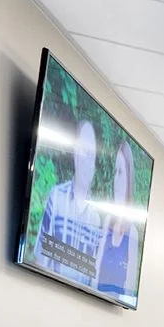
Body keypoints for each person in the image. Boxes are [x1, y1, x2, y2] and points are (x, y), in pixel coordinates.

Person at [30, 113, 106, 286]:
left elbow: (91, 280)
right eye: (83, 151)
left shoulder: (96, 218)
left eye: (91, 155)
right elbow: (40, 259)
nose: (86, 159)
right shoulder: (56, 196)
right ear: (75, 154)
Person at [93, 140, 140, 300]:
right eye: (114, 172)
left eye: (120, 172)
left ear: (128, 180)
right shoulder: (107, 222)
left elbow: (129, 291)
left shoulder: (132, 234)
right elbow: (95, 272)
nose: (115, 179)